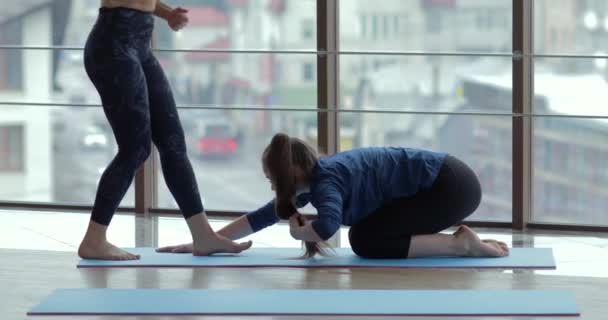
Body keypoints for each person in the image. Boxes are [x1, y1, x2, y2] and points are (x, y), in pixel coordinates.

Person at [78, 0, 251, 260]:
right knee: (135, 149)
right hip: (113, 43)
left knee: (173, 143)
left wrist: (167, 13)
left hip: (139, 45)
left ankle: (202, 235)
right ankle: (94, 240)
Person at [158, 133, 509, 259]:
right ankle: (460, 243)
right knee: (368, 235)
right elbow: (263, 216)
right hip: (448, 182)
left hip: (451, 188)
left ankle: (460, 245)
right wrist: (208, 239)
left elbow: (326, 226)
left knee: (367, 239)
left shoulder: (327, 182)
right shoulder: (318, 176)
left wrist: (302, 233)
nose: (271, 186)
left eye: (272, 179)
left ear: (291, 174)